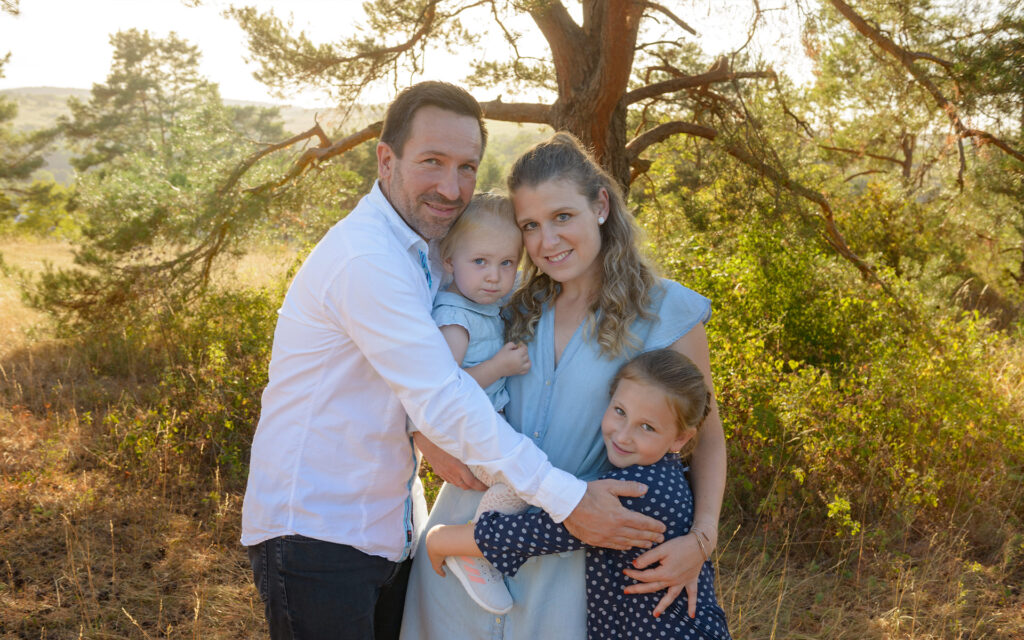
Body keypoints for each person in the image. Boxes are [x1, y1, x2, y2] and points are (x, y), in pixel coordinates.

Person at [240, 83, 667, 640]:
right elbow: (443, 395)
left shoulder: (431, 255)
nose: (451, 186)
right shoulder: (367, 259)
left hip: (385, 529)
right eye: (432, 162)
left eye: (467, 167)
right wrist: (569, 498)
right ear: (386, 160)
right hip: (318, 535)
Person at [401, 132, 727, 639]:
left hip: (574, 562)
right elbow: (423, 380)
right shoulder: (506, 303)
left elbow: (705, 436)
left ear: (600, 205)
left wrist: (702, 540)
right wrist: (422, 437)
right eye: (530, 225)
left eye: (562, 217)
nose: (546, 242)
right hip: (463, 546)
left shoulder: (668, 311)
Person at [424, 349, 732, 640]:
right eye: (620, 411)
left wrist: (444, 539)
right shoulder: (668, 474)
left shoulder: (640, 490)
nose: (624, 435)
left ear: (680, 438)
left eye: (647, 427)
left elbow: (544, 532)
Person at [425, 192, 533, 614]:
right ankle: (471, 546)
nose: (495, 276)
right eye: (481, 262)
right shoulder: (456, 318)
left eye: (507, 263)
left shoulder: (483, 302)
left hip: (484, 427)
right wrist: (499, 366)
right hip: (465, 433)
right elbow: (446, 390)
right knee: (519, 482)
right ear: (449, 262)